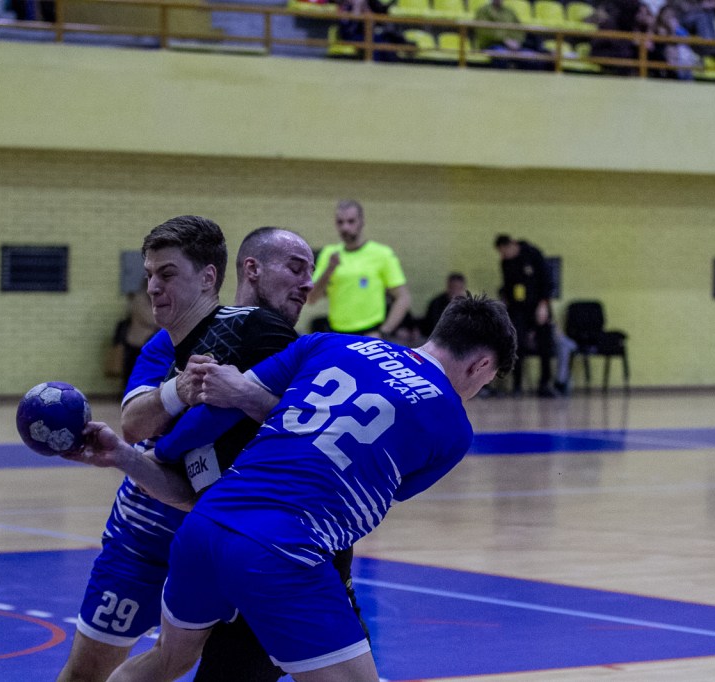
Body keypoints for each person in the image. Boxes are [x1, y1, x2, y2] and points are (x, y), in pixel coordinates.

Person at [66, 293, 518, 681]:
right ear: (481, 365)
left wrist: (157, 454)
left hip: (204, 526)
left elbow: (222, 406)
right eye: (487, 379)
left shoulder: (329, 343)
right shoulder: (454, 427)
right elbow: (397, 488)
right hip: (284, 551)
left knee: (167, 660)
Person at [57, 221, 315, 682]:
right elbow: (134, 422)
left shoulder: (285, 348)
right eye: (296, 269)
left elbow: (299, 432)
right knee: (89, 671)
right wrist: (179, 390)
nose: (308, 284)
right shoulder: (175, 335)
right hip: (145, 533)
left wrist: (235, 402)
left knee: (189, 663)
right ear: (251, 269)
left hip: (220, 540)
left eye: (166, 274)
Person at [309, 199, 412, 338]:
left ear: (362, 221)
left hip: (371, 332)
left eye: (351, 221)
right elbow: (311, 298)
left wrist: (383, 332)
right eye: (340, 222)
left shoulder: (382, 254)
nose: (345, 227)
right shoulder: (329, 254)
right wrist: (329, 270)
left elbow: (403, 298)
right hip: (337, 332)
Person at [494, 234, 556, 397]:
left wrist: (543, 304)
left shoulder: (533, 254)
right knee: (517, 344)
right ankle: (517, 385)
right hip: (518, 309)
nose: (503, 255)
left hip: (538, 306)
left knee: (545, 345)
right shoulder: (505, 262)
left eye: (504, 251)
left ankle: (545, 384)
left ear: (511, 245)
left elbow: (547, 282)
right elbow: (507, 286)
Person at [419, 272, 467, 338]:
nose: (455, 291)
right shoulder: (436, 303)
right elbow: (434, 325)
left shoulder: (467, 305)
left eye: (458, 288)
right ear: (448, 287)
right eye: (453, 288)